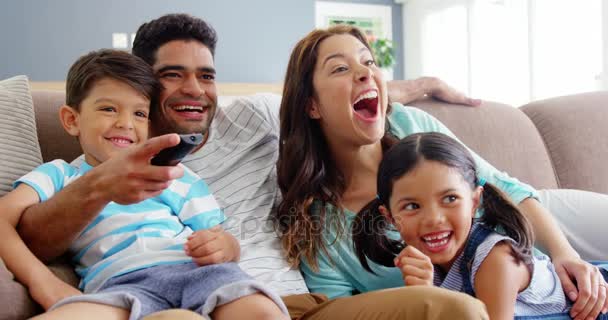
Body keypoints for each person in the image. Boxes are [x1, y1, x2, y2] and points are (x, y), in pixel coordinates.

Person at [16, 14, 490, 319]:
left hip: (299, 302)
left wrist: (421, 83)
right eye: (172, 75)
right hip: (188, 300)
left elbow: (331, 92)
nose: (195, 90)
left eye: (206, 75)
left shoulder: (251, 117)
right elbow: (32, 232)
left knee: (454, 310)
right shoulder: (98, 169)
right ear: (143, 86)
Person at [275, 24, 608, 320]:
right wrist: (418, 295)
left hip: (527, 227)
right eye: (340, 69)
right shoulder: (319, 230)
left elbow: (502, 188)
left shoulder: (406, 123)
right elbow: (348, 312)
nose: (364, 73)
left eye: (369, 62)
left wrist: (566, 255)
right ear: (311, 105)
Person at [5, 49, 287, 319]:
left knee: (263, 313)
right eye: (108, 108)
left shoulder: (174, 174)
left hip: (198, 273)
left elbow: (220, 237)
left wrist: (225, 247)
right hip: (119, 286)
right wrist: (41, 281)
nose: (126, 123)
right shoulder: (58, 174)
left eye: (139, 114)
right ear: (71, 120)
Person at [352, 132, 608, 319]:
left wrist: (429, 300)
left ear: (475, 201)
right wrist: (424, 296)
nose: (433, 219)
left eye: (450, 199)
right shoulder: (431, 269)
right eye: (412, 206)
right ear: (389, 216)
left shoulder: (495, 260)